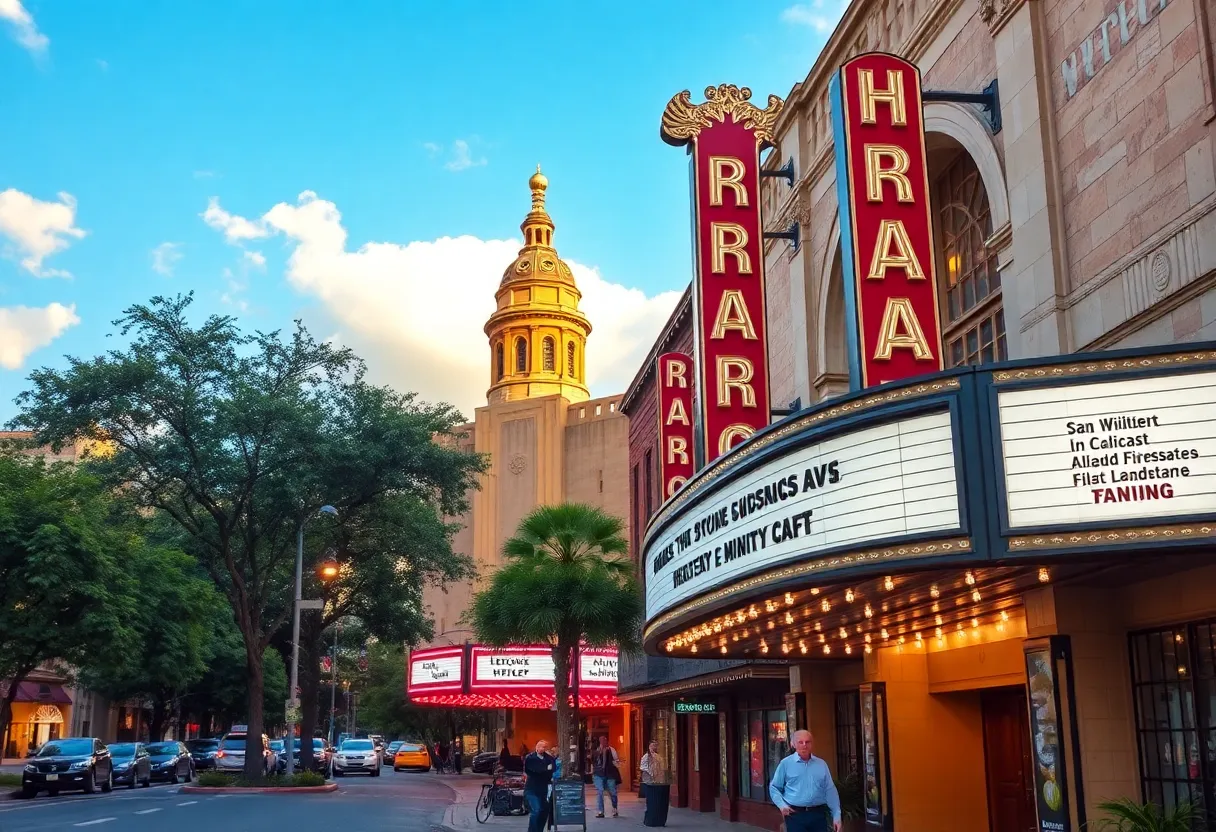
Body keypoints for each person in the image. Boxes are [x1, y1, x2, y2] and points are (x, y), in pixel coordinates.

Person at [768, 730, 841, 832]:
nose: (804, 745)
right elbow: (774, 787)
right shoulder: (785, 764)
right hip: (795, 815)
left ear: (812, 744)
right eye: (800, 742)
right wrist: (781, 805)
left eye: (807, 742)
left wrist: (837, 815)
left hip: (818, 814)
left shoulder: (821, 764)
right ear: (793, 744)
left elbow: (830, 790)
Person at [523, 740, 556, 832]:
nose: (543, 748)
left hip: (544, 789)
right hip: (531, 789)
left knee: (544, 811)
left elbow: (552, 768)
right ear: (536, 747)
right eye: (541, 746)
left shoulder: (549, 758)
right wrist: (545, 769)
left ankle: (539, 830)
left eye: (545, 747)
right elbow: (532, 770)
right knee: (536, 810)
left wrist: (543, 770)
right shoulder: (530, 758)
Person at [591, 735, 621, 818]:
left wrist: (616, 763)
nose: (603, 742)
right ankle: (601, 811)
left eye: (605, 741)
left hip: (610, 774)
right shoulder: (596, 751)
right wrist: (592, 772)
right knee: (600, 791)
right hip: (598, 774)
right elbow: (593, 762)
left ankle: (614, 807)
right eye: (602, 741)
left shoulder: (611, 750)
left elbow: (616, 760)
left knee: (613, 792)